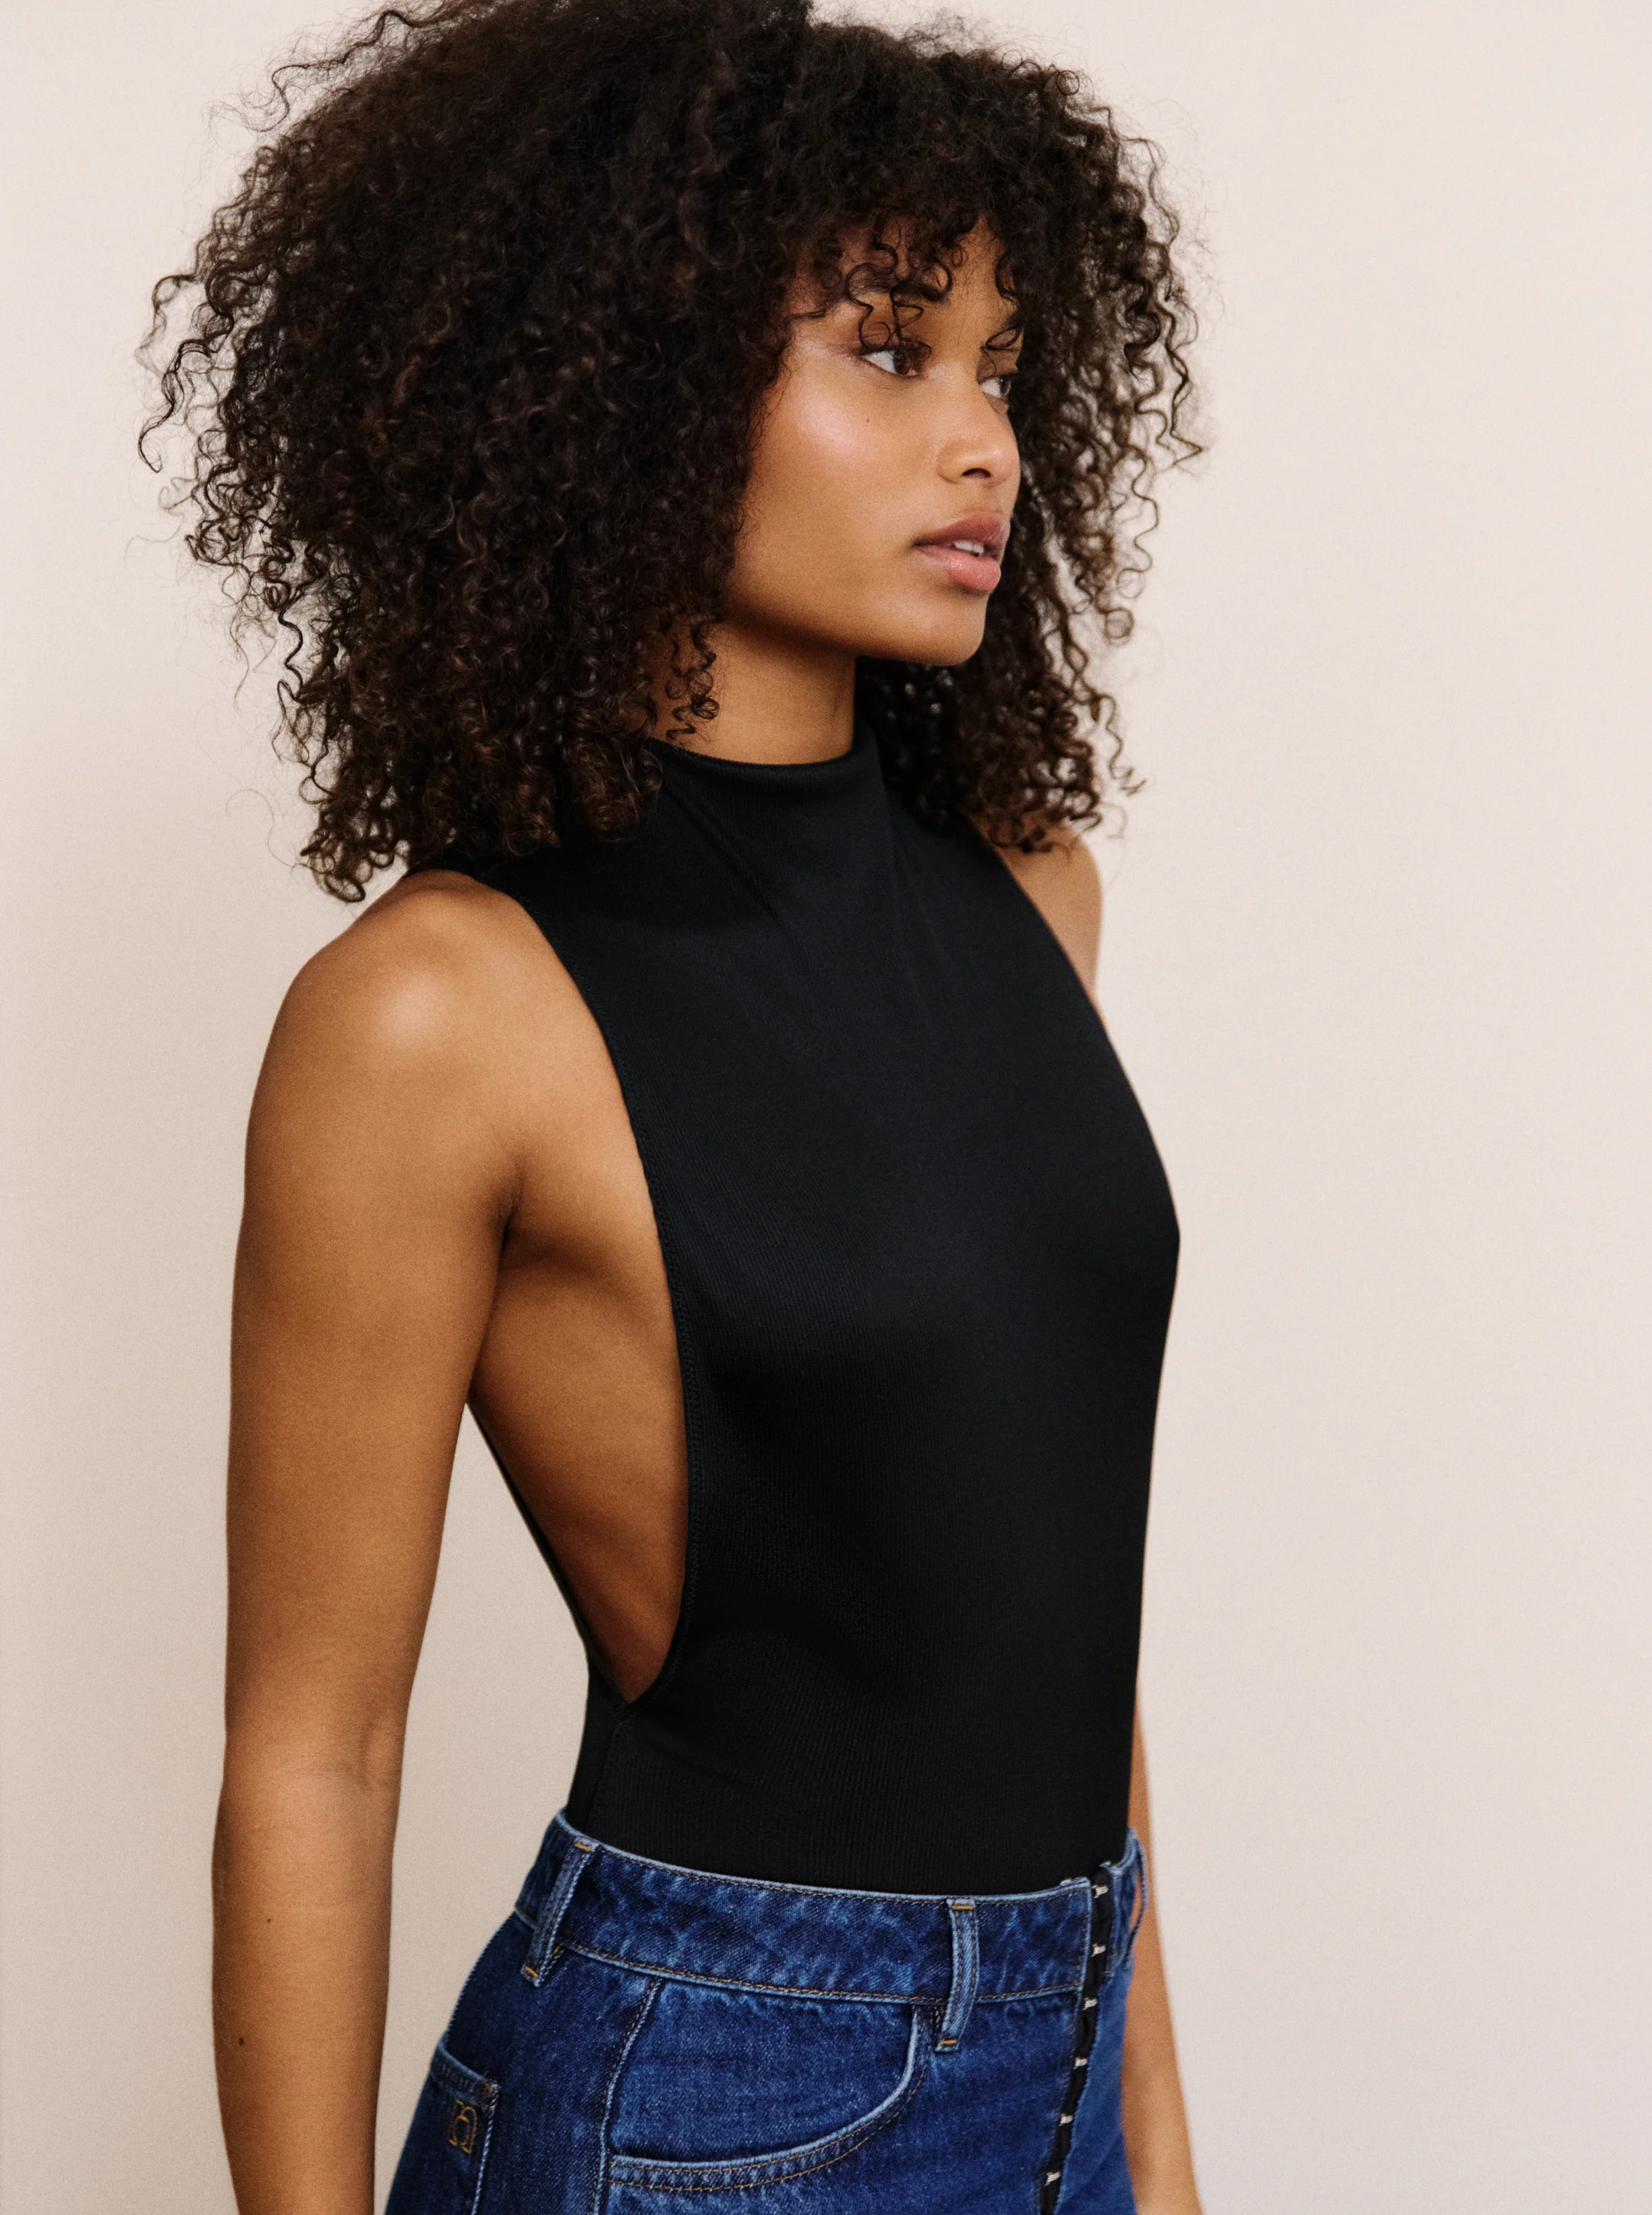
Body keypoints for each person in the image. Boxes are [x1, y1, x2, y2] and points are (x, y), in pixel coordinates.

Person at [146, 0, 1201, 2205]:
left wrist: (1149, 2148)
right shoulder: (439, 1013)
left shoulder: (1035, 898)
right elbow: (315, 1755)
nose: (984, 443)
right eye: (890, 351)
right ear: (629, 376)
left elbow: (1041, 1612)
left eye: (1004, 368)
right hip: (719, 2096)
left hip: (1063, 2060)